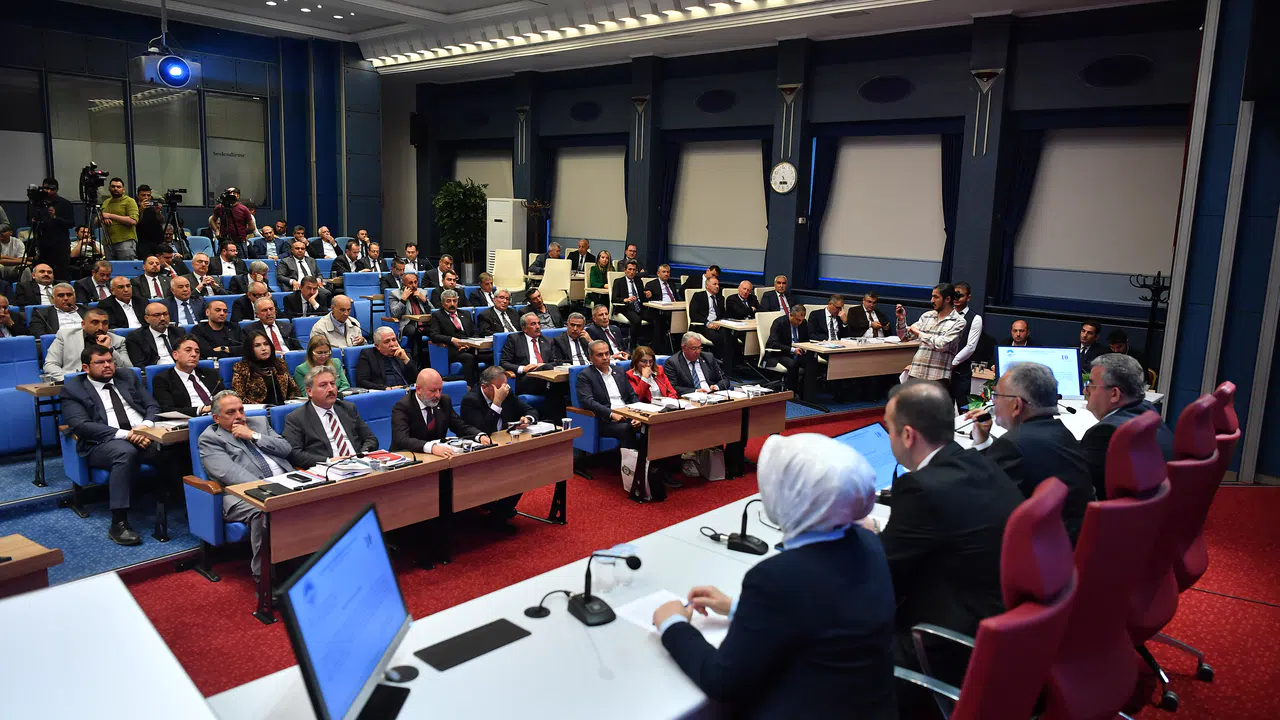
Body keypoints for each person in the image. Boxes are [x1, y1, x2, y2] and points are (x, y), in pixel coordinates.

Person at [652, 433, 896, 720]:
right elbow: (824, 614)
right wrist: (738, 608)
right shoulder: (868, 543)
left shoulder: (776, 578)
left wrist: (672, 624)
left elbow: (723, 681)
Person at [876, 380, 1022, 693]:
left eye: (888, 429)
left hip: (950, 645)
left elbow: (880, 576)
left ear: (907, 435)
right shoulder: (977, 461)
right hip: (1003, 626)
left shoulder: (920, 489)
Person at [965, 362, 1094, 544]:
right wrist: (984, 442)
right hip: (1071, 541)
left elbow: (984, 502)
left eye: (997, 395)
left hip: (1038, 547)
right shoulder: (1062, 433)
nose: (993, 402)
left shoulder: (1013, 445)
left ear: (1016, 405)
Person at [60, 344, 160, 545]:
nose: (107, 365)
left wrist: (144, 428)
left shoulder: (127, 376)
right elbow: (81, 425)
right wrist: (127, 435)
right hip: (101, 442)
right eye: (100, 362)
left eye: (110, 361)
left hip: (142, 434)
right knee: (125, 453)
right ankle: (118, 522)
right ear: (86, 368)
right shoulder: (73, 389)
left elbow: (152, 406)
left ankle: (179, 502)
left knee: (172, 446)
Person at [199, 390, 293, 584]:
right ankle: (265, 580)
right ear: (216, 418)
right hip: (240, 495)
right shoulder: (210, 438)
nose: (239, 416)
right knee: (263, 511)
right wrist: (272, 490)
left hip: (286, 481)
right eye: (231, 412)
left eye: (241, 410)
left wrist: (254, 436)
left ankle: (303, 561)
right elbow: (230, 475)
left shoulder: (259, 423)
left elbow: (286, 449)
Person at [1081, 353, 1173, 501]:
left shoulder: (1104, 434)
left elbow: (1084, 491)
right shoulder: (1148, 411)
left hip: (1125, 513)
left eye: (1091, 385)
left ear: (1114, 394)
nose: (1085, 391)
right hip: (1159, 507)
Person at [459, 366, 534, 527]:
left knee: (524, 470)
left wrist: (527, 419)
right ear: (484, 387)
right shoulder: (470, 400)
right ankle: (495, 513)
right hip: (480, 453)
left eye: (505, 386)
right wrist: (497, 402)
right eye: (499, 388)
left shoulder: (506, 392)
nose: (504, 390)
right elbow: (484, 431)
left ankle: (500, 511)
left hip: (505, 446)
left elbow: (529, 410)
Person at [285, 365, 379, 467]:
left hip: (359, 464)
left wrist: (362, 454)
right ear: (309, 391)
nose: (330, 389)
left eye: (333, 384)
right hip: (327, 468)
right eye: (323, 385)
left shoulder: (348, 408)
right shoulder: (297, 418)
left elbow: (370, 439)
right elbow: (294, 453)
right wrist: (328, 461)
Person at [895, 283, 968, 383]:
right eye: (932, 297)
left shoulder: (958, 322)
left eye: (936, 297)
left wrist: (919, 333)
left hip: (937, 377)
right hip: (916, 373)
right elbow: (904, 337)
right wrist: (901, 320)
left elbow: (942, 345)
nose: (932, 300)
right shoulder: (927, 316)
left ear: (947, 299)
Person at [499, 312, 562, 416]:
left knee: (554, 381)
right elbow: (503, 363)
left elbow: (556, 362)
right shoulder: (514, 339)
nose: (538, 327)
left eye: (539, 323)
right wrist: (523, 368)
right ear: (524, 328)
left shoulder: (548, 341)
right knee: (555, 385)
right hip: (525, 379)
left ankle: (551, 418)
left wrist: (541, 366)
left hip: (546, 377)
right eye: (533, 324)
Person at [43, 310, 132, 380]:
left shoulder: (118, 340)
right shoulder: (65, 336)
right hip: (76, 382)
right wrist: (70, 380)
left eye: (105, 323)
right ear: (83, 324)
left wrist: (109, 349)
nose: (100, 327)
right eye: (95, 322)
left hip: (107, 382)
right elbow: (50, 365)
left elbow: (128, 369)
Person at [151, 337, 226, 416]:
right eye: (188, 350)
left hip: (220, 416)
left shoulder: (210, 374)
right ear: (175, 355)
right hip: (191, 419)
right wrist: (201, 409)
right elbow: (168, 410)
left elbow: (225, 396)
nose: (194, 354)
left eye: (197, 351)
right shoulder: (162, 379)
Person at [428, 289, 489, 384]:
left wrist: (470, 343)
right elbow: (434, 335)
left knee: (490, 356)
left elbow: (475, 332)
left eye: (454, 301)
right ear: (442, 303)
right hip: (452, 349)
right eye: (448, 301)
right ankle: (470, 386)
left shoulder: (466, 314)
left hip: (470, 347)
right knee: (469, 358)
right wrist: (452, 340)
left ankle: (487, 384)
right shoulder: (437, 315)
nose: (452, 304)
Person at [232, 330, 301, 406]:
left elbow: (295, 390)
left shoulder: (279, 364)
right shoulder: (242, 368)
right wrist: (264, 407)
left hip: (283, 408)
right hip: (259, 411)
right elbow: (239, 398)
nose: (263, 348)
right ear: (250, 349)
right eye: (257, 345)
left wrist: (290, 403)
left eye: (266, 344)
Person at [689, 276, 738, 371]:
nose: (717, 286)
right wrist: (707, 323)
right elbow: (693, 314)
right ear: (707, 286)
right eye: (714, 284)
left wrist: (721, 323)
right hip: (702, 325)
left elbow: (723, 314)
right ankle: (721, 361)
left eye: (718, 284)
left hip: (718, 325)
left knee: (730, 336)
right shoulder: (698, 296)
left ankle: (728, 364)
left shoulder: (720, 298)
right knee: (718, 337)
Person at [29, 178, 74, 279]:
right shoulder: (37, 204)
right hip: (42, 242)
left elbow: (71, 223)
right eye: (46, 188)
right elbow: (30, 221)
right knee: (43, 270)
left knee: (61, 272)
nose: (48, 191)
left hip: (60, 244)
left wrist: (55, 217)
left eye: (51, 189)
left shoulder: (64, 203)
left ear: (56, 189)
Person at [949, 281, 983, 411]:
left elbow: (970, 346)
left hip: (961, 372)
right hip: (943, 371)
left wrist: (952, 363)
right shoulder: (946, 314)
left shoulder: (975, 318)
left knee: (963, 409)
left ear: (968, 298)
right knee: (943, 408)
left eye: (961, 295)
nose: (957, 299)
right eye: (954, 295)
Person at [765, 304, 811, 394]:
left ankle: (805, 391)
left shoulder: (803, 323)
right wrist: (792, 350)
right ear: (791, 315)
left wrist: (805, 348)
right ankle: (791, 391)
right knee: (793, 364)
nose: (800, 323)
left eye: (802, 320)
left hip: (799, 352)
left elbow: (806, 340)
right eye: (798, 320)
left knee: (811, 361)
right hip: (780, 353)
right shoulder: (779, 323)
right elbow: (773, 343)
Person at [665, 332, 730, 395]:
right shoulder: (673, 362)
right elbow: (672, 387)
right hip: (690, 398)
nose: (698, 351)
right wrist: (695, 391)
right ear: (684, 348)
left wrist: (716, 386)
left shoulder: (708, 358)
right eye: (694, 348)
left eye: (699, 348)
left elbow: (724, 379)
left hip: (712, 395)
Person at [125, 302, 184, 367]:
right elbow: (139, 364)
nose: (162, 318)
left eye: (165, 314)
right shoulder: (135, 337)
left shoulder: (179, 332)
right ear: (147, 318)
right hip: (156, 371)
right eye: (157, 315)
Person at [611, 260, 650, 346]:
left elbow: (642, 298)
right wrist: (625, 299)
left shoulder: (639, 281)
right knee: (637, 320)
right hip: (626, 307)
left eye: (634, 270)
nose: (632, 272)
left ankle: (651, 343)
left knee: (655, 317)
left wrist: (647, 295)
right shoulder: (618, 281)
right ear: (625, 270)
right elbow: (613, 299)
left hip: (639, 306)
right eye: (630, 269)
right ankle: (633, 345)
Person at [99, 177, 139, 261]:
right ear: (109, 188)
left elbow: (133, 221)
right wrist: (103, 219)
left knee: (127, 266)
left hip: (125, 241)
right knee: (110, 267)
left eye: (118, 187)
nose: (115, 189)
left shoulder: (129, 201)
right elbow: (97, 219)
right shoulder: (106, 202)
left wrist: (110, 216)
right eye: (113, 186)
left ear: (123, 189)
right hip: (108, 242)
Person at [387, 271, 432, 336]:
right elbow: (395, 314)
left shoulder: (423, 292)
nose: (414, 285)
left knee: (436, 329)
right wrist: (403, 300)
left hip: (424, 323)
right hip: (408, 324)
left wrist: (424, 300)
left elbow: (432, 312)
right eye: (410, 283)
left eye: (415, 282)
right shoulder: (395, 294)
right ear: (404, 285)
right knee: (413, 330)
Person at [134, 186, 165, 260]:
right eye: (143, 195)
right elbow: (135, 222)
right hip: (142, 241)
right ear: (138, 195)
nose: (146, 197)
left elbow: (161, 221)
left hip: (156, 240)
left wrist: (158, 212)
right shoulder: (134, 206)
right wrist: (141, 210)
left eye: (148, 195)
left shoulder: (152, 206)